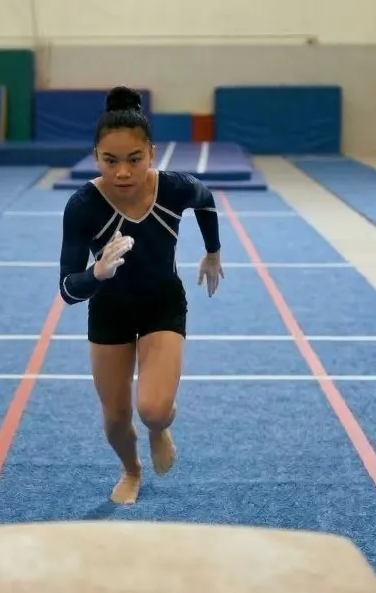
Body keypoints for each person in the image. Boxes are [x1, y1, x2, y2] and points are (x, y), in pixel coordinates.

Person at [57, 85, 224, 505]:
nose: (123, 173)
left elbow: (206, 200)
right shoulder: (83, 206)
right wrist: (96, 273)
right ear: (96, 157)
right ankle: (131, 470)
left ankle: (160, 428)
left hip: (161, 305)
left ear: (151, 153)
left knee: (153, 410)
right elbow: (67, 290)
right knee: (115, 421)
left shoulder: (173, 188)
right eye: (110, 161)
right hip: (109, 312)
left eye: (134, 160)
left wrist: (212, 252)